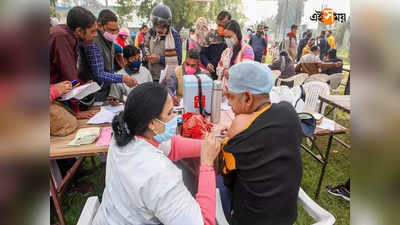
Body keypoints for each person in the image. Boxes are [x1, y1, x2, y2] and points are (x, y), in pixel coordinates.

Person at [92, 82, 221, 225]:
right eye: (170, 113)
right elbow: (204, 222)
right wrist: (207, 165)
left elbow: (173, 146)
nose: (176, 118)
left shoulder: (125, 132)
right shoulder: (159, 173)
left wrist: (206, 146)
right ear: (152, 124)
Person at [221, 61, 303, 225]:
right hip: (287, 217)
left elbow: (227, 179)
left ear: (248, 97)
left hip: (250, 219)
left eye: (230, 96)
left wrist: (225, 139)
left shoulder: (239, 126)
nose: (228, 103)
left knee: (216, 184)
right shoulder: (289, 111)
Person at [78, 9, 137, 102]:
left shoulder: (110, 41)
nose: (114, 33)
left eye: (116, 30)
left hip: (104, 92)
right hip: (92, 94)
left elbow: (109, 69)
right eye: (111, 30)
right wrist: (123, 78)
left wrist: (111, 92)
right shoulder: (92, 41)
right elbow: (99, 74)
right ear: (99, 25)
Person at [50, 6, 98, 119]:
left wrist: (82, 85)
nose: (95, 35)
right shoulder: (61, 37)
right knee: (69, 125)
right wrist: (75, 111)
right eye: (92, 31)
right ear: (79, 31)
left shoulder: (66, 34)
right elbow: (69, 75)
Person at [144, 4, 182, 83]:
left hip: (166, 78)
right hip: (150, 76)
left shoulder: (174, 36)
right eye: (157, 26)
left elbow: (178, 60)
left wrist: (159, 59)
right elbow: (145, 46)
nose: (159, 30)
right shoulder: (150, 32)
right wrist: (146, 54)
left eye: (162, 27)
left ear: (168, 24)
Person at [200, 11, 231, 80]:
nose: (221, 27)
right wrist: (207, 64)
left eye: (224, 24)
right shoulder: (210, 35)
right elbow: (202, 54)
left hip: (229, 75)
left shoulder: (233, 37)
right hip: (213, 75)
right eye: (219, 25)